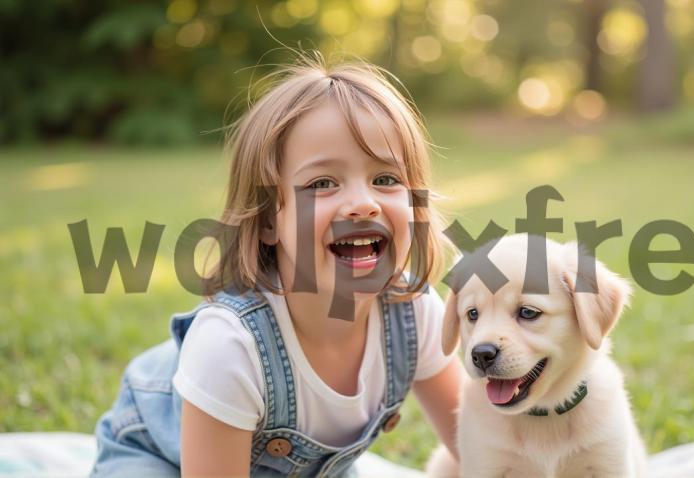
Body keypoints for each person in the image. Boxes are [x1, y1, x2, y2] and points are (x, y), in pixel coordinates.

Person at [91, 54, 463, 477]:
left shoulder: (413, 313)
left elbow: (479, 447)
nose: (363, 202)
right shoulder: (230, 347)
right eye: (322, 183)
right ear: (269, 220)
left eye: (386, 179)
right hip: (157, 456)